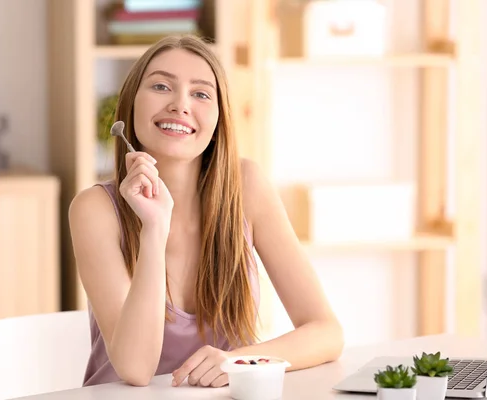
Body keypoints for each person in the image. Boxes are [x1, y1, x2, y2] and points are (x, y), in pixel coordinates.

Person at [68, 34, 344, 389]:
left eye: (200, 93)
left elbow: (326, 332)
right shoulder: (95, 210)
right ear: (131, 105)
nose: (180, 105)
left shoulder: (247, 187)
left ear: (217, 121)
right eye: (161, 86)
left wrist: (237, 362)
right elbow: (135, 369)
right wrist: (154, 227)